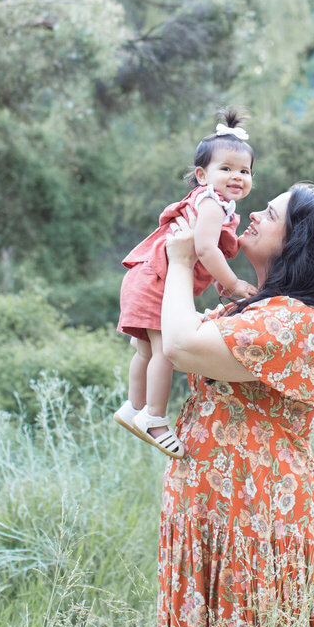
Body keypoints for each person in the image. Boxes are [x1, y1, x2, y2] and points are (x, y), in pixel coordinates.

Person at [149, 183, 314, 627]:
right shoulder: (255, 309)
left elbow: (182, 345)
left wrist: (179, 260)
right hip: (216, 524)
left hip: (256, 529)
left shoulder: (297, 323)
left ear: (296, 243)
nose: (253, 215)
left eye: (270, 214)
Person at [113, 110, 258, 458]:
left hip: (144, 276)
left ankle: (133, 407)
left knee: (146, 351)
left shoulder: (213, 205)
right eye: (226, 169)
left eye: (244, 171)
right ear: (201, 174)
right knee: (164, 351)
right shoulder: (212, 204)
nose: (236, 176)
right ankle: (154, 417)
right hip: (156, 281)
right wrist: (234, 283)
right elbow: (206, 248)